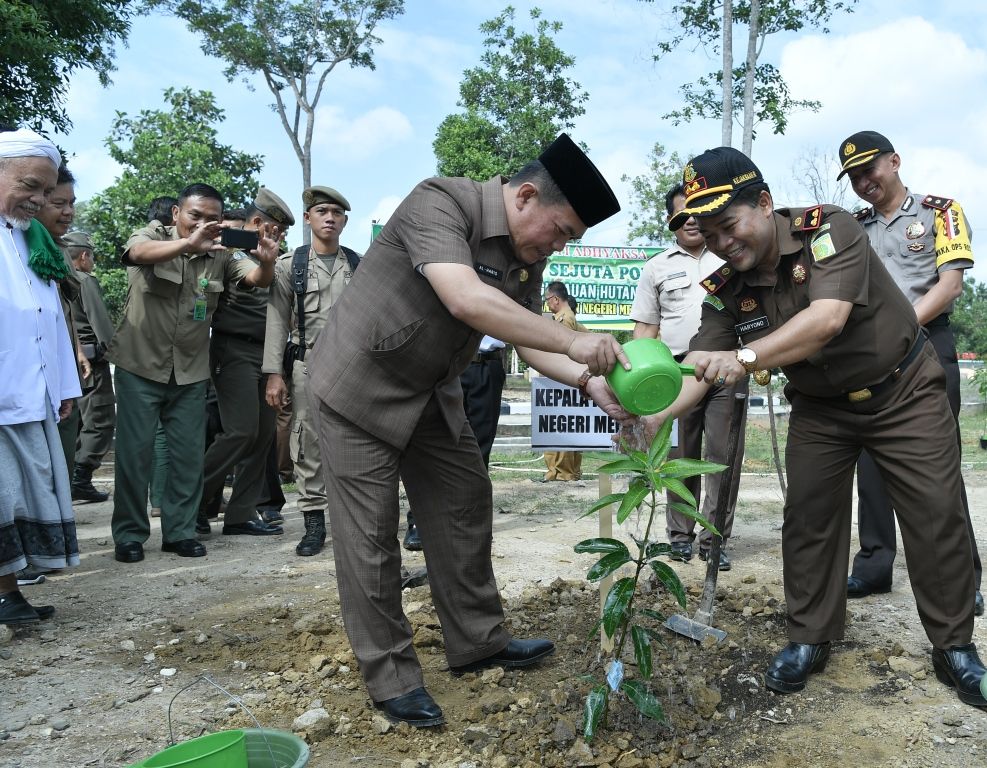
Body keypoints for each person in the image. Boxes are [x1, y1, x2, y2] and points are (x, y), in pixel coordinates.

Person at [636, 146, 984, 707]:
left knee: (934, 513)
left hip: (903, 390)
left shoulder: (831, 230)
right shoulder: (727, 289)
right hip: (822, 409)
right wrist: (648, 415)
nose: (722, 243)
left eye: (729, 226)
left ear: (765, 203)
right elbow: (698, 369)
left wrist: (748, 360)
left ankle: (955, 646)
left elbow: (826, 320)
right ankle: (811, 636)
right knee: (808, 520)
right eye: (709, 232)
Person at [307, 133, 631, 727]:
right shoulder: (441, 203)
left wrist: (589, 383)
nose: (557, 246)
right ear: (526, 196)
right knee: (370, 538)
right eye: (559, 231)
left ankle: (479, 640)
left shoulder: (526, 256)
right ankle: (391, 676)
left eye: (569, 241)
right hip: (358, 387)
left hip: (431, 392)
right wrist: (576, 339)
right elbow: (464, 298)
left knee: (464, 503)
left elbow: (526, 335)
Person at [836, 130, 983, 616]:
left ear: (894, 162)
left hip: (926, 342)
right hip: (866, 354)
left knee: (937, 464)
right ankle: (875, 565)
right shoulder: (852, 227)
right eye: (854, 176)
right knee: (870, 458)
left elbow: (951, 284)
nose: (863, 181)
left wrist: (899, 328)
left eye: (870, 170)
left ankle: (962, 576)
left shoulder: (941, 212)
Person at [108, 183, 281, 563]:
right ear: (176, 215)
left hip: (189, 370)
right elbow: (136, 253)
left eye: (212, 218)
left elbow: (256, 280)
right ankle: (130, 535)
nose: (204, 224)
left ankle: (180, 532)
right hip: (141, 366)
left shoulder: (222, 252)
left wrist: (267, 262)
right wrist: (188, 245)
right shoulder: (154, 235)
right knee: (135, 455)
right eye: (195, 216)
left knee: (187, 457)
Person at [629, 183, 748, 571]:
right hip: (676, 373)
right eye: (684, 214)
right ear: (671, 221)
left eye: (700, 212)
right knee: (681, 455)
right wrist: (638, 384)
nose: (693, 221)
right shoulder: (657, 267)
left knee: (722, 456)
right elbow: (645, 332)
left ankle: (714, 540)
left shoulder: (730, 257)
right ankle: (680, 537)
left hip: (729, 369)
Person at [0, 127, 80, 624]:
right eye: (30, 186)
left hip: (27, 391)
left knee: (10, 500)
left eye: (45, 192)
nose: (39, 200)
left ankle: (8, 595)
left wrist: (65, 383)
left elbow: (47, 314)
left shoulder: (31, 242)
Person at [263, 185, 360, 557]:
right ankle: (313, 523)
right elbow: (275, 321)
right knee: (306, 440)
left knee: (353, 441)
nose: (329, 218)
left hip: (353, 365)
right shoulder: (292, 265)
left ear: (345, 221)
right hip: (308, 363)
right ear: (308, 218)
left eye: (336, 213)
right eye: (322, 212)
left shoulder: (359, 264)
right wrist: (274, 373)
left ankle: (351, 520)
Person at [199, 188, 294, 538]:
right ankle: (191, 502)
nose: (279, 236)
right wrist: (267, 261)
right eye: (275, 229)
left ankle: (240, 513)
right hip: (235, 351)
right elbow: (257, 278)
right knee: (239, 431)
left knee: (262, 437)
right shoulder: (234, 252)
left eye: (282, 232)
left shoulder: (276, 257)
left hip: (270, 356)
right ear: (256, 223)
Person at [403, 333, 507, 551]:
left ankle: (470, 522)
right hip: (446, 363)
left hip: (488, 363)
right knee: (432, 443)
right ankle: (420, 521)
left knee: (480, 449)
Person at [64, 231, 116, 503]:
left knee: (75, 419)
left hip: (67, 359)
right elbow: (101, 324)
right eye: (92, 257)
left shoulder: (54, 277)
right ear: (84, 256)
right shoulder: (83, 280)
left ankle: (70, 477)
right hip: (91, 361)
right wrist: (117, 354)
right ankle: (80, 479)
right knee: (100, 419)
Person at [541, 281, 586, 481]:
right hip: (562, 379)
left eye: (547, 300)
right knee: (560, 426)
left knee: (563, 426)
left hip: (561, 380)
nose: (547, 304)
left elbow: (563, 353)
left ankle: (563, 472)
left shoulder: (565, 319)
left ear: (556, 299)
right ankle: (560, 471)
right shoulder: (565, 317)